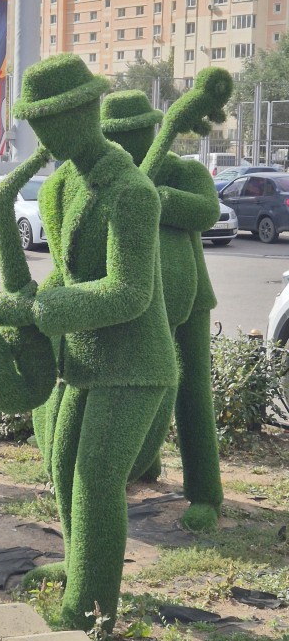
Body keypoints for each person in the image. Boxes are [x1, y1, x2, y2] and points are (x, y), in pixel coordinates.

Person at [0, 54, 177, 630]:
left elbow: (129, 292)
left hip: (135, 365)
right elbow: (67, 275)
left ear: (87, 110)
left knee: (96, 479)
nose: (43, 134)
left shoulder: (131, 191)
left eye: (53, 118)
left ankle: (93, 613)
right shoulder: (61, 185)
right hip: (83, 360)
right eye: (36, 121)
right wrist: (27, 295)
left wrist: (39, 310)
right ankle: (78, 567)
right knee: (63, 464)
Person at [101, 90, 224, 531]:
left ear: (154, 129)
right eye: (115, 135)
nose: (125, 142)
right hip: (135, 296)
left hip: (190, 296)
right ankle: (145, 463)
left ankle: (205, 492)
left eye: (135, 132)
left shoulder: (182, 170)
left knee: (192, 390)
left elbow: (207, 212)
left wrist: (155, 196)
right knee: (137, 381)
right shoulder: (109, 176)